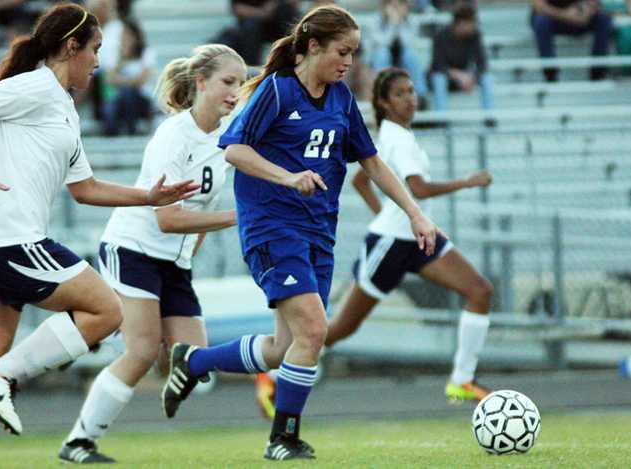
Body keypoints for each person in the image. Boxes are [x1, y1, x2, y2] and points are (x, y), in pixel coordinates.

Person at [0, 5, 198, 468]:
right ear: (71, 47)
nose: (99, 62)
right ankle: (1, 376)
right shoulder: (40, 85)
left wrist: (150, 196)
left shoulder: (62, 104)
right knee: (106, 310)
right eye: (96, 50)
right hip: (8, 238)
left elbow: (84, 189)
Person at [160, 5, 437, 461]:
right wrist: (289, 177)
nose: (349, 62)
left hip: (317, 233)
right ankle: (282, 438)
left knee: (284, 347)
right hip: (272, 227)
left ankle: (194, 360)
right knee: (313, 328)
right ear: (313, 47)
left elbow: (371, 161)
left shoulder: (341, 98)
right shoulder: (277, 90)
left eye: (354, 52)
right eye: (342, 51)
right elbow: (234, 151)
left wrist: (414, 213)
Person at [57, 44, 246, 464]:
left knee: (199, 368)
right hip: (134, 248)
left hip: (173, 262)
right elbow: (168, 219)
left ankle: (114, 355)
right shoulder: (173, 136)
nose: (235, 91)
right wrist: (242, 217)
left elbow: (201, 211)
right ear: (200, 83)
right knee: (140, 351)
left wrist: (188, 260)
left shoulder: (229, 135)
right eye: (227, 82)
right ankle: (79, 441)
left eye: (240, 82)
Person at [329, 67, 494, 401]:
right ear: (384, 103)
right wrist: (466, 181)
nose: (409, 99)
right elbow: (417, 188)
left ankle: (462, 380)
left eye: (411, 91)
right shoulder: (397, 138)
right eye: (400, 94)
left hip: (419, 240)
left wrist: (389, 212)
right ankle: (273, 368)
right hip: (390, 244)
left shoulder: (394, 136)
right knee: (342, 328)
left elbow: (362, 181)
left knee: (479, 290)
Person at [429, 3, 495, 111]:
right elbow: (437, 65)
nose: (475, 26)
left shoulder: (475, 35)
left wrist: (472, 77)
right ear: (461, 23)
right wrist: (458, 75)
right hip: (447, 77)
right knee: (438, 79)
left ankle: (490, 118)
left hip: (466, 78)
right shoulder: (441, 36)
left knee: (486, 78)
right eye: (472, 23)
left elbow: (483, 64)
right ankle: (443, 120)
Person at [364, 0, 429, 108]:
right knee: (383, 53)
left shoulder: (411, 20)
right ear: (385, 6)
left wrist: (400, 22)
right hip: (381, 62)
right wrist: (393, 24)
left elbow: (407, 42)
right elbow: (384, 42)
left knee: (409, 54)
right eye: (392, 5)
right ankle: (381, 92)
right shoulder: (375, 20)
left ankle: (420, 95)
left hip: (403, 62)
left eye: (399, 5)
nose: (395, 9)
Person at [530, 0, 612, 81]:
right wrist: (566, 15)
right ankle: (550, 72)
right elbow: (539, 6)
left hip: (579, 18)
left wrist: (585, 14)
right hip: (554, 19)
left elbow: (594, 3)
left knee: (603, 19)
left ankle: (598, 71)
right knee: (541, 21)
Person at [101, 17, 156, 136]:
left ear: (136, 37)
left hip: (142, 99)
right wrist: (122, 60)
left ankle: (132, 128)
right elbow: (108, 78)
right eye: (122, 36)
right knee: (109, 107)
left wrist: (120, 80)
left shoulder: (146, 52)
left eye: (127, 36)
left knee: (128, 92)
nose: (124, 40)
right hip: (120, 98)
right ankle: (112, 134)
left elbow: (141, 80)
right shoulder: (116, 54)